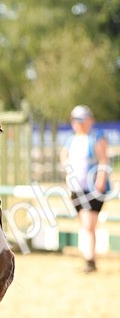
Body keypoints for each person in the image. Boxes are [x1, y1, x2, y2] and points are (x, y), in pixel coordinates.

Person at [60, 105, 111, 273]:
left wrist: (101, 179)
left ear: (90, 121)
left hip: (92, 189)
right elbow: (63, 155)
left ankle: (90, 259)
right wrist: (68, 170)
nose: (78, 124)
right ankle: (89, 257)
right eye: (75, 120)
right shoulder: (71, 139)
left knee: (89, 224)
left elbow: (104, 160)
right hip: (76, 189)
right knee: (84, 223)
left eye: (81, 120)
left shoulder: (96, 137)